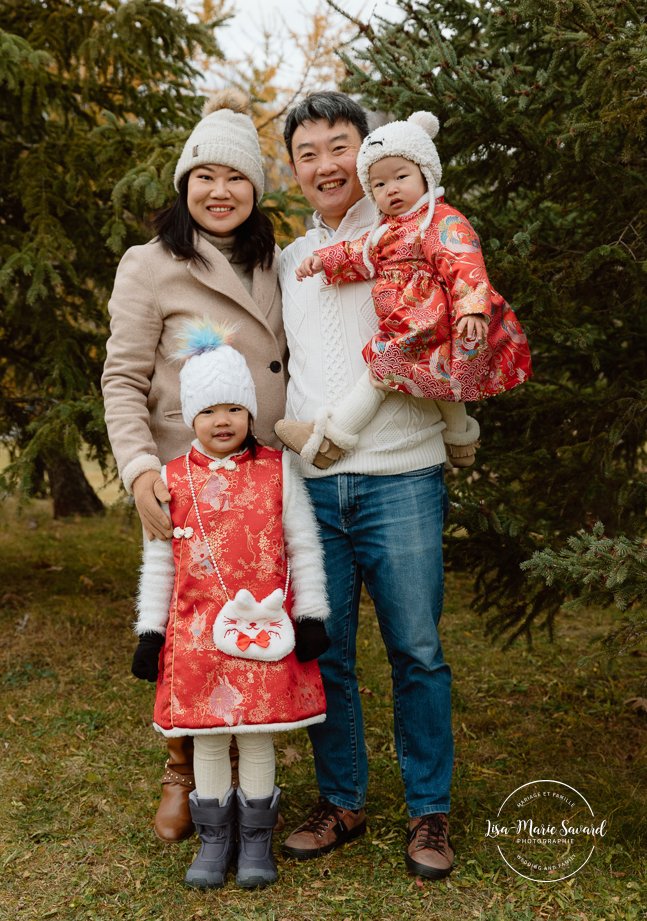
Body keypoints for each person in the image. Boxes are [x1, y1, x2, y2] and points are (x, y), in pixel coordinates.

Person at [277, 92, 462, 880]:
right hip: (312, 483)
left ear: (368, 152)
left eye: (338, 147)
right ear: (292, 170)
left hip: (402, 474)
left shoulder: (414, 234)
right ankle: (341, 800)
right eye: (307, 153)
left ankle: (430, 814)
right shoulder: (289, 260)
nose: (325, 164)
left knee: (416, 649)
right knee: (330, 653)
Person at [101, 89, 287, 843]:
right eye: (205, 175)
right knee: (187, 628)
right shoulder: (150, 265)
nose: (220, 191)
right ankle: (184, 770)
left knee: (254, 616)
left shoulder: (277, 260)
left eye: (236, 177)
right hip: (182, 477)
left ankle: (251, 766)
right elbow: (121, 377)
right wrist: (140, 466)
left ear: (255, 189)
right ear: (185, 185)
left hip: (266, 478)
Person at [130, 318, 330, 889]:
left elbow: (303, 547)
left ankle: (257, 841)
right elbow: (160, 563)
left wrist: (311, 614)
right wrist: (151, 631)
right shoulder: (169, 481)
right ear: (190, 416)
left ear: (249, 412)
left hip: (263, 631)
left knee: (258, 734)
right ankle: (215, 843)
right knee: (210, 736)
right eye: (210, 410)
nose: (224, 421)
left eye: (235, 409)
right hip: (195, 634)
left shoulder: (277, 472)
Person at [277, 111, 531, 466]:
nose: (391, 189)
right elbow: (361, 254)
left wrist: (472, 306)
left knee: (382, 369)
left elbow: (464, 259)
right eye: (379, 185)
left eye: (401, 177)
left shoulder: (440, 220)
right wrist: (325, 260)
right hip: (409, 319)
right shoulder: (386, 231)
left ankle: (330, 441)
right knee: (439, 375)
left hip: (429, 319)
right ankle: (461, 441)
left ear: (425, 175)